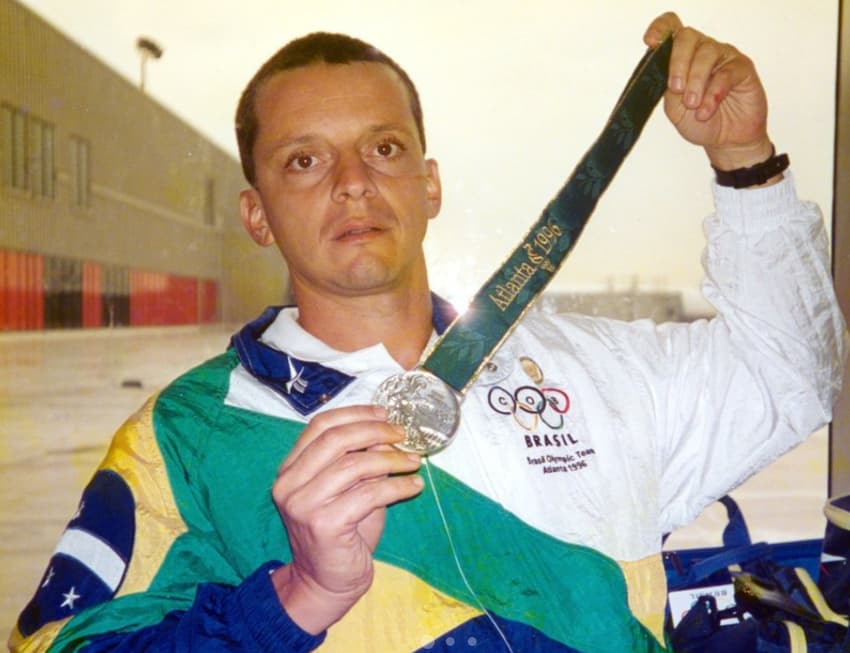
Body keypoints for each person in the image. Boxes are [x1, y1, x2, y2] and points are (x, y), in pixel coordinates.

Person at [10, 11, 846, 653]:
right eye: (304, 159)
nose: (351, 184)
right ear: (256, 215)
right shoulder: (184, 440)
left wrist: (747, 161)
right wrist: (292, 599)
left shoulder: (585, 364)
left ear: (430, 182)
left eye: (382, 147)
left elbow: (790, 380)